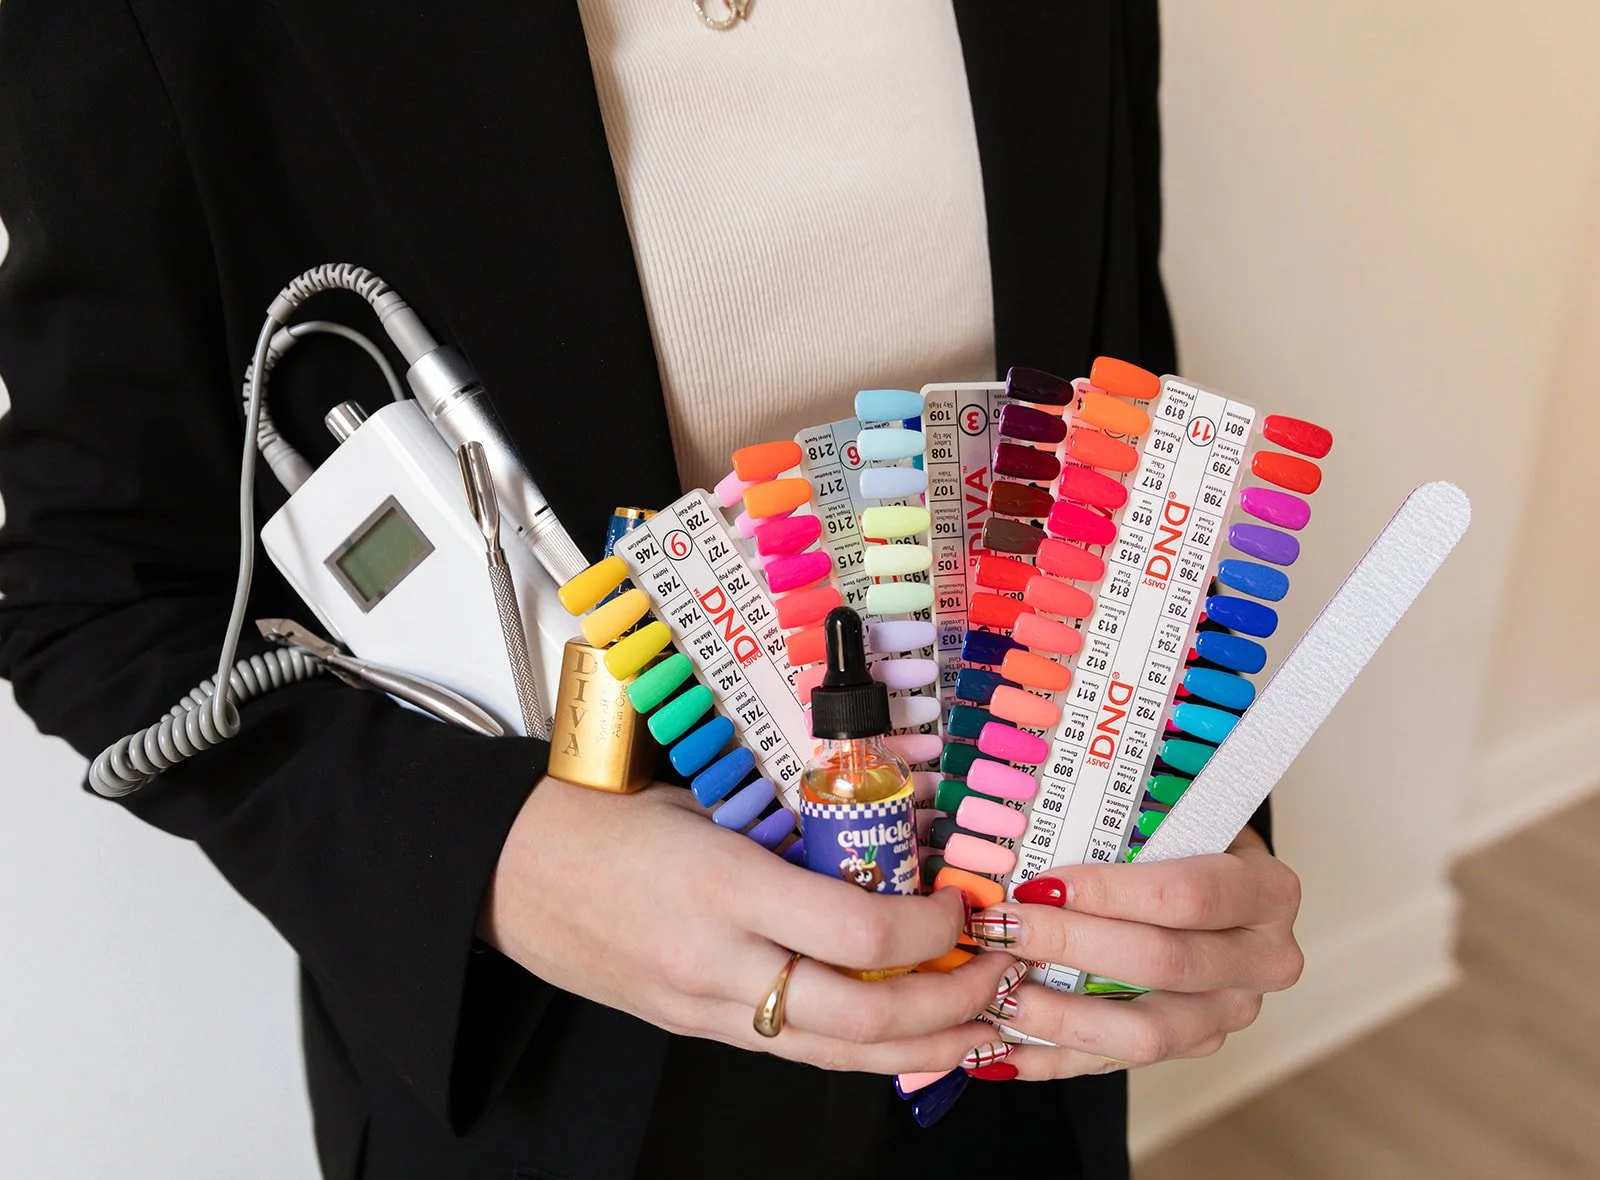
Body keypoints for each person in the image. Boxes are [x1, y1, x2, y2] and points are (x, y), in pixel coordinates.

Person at [0, 3, 1303, 1177]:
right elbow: (97, 591)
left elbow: (1117, 410)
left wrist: (1177, 793)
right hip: (562, 1075)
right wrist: (502, 867)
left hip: (1017, 1025)